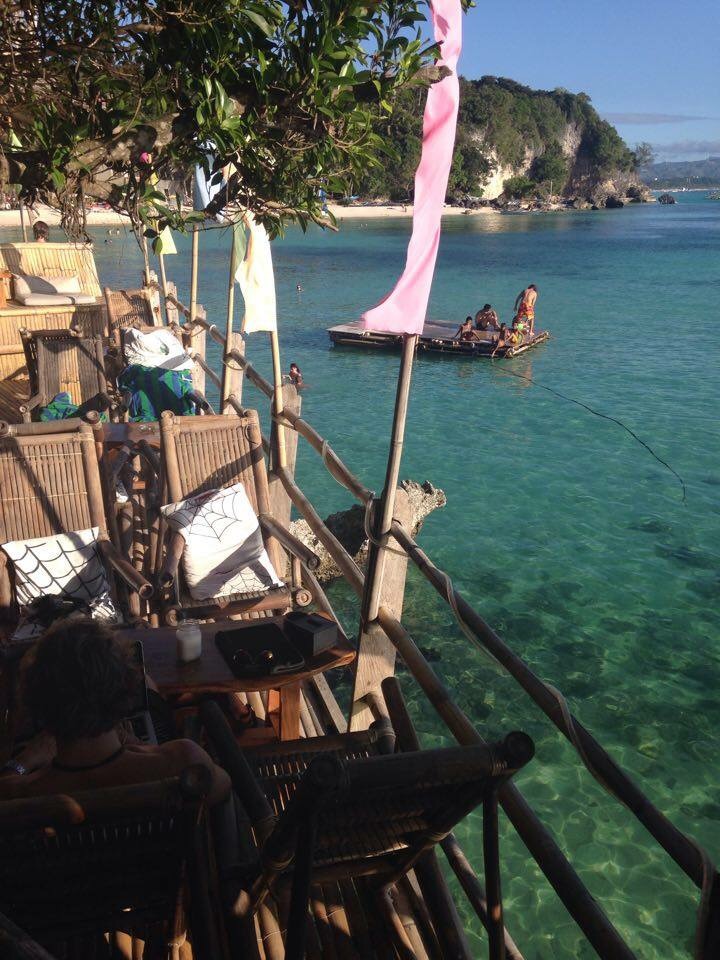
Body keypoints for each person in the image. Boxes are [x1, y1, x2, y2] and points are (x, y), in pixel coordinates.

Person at [0, 618, 230, 805]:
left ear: (38, 706)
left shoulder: (18, 795)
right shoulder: (183, 763)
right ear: (125, 689)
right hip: (161, 848)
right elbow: (224, 788)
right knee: (151, 692)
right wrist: (142, 748)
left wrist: (23, 761)